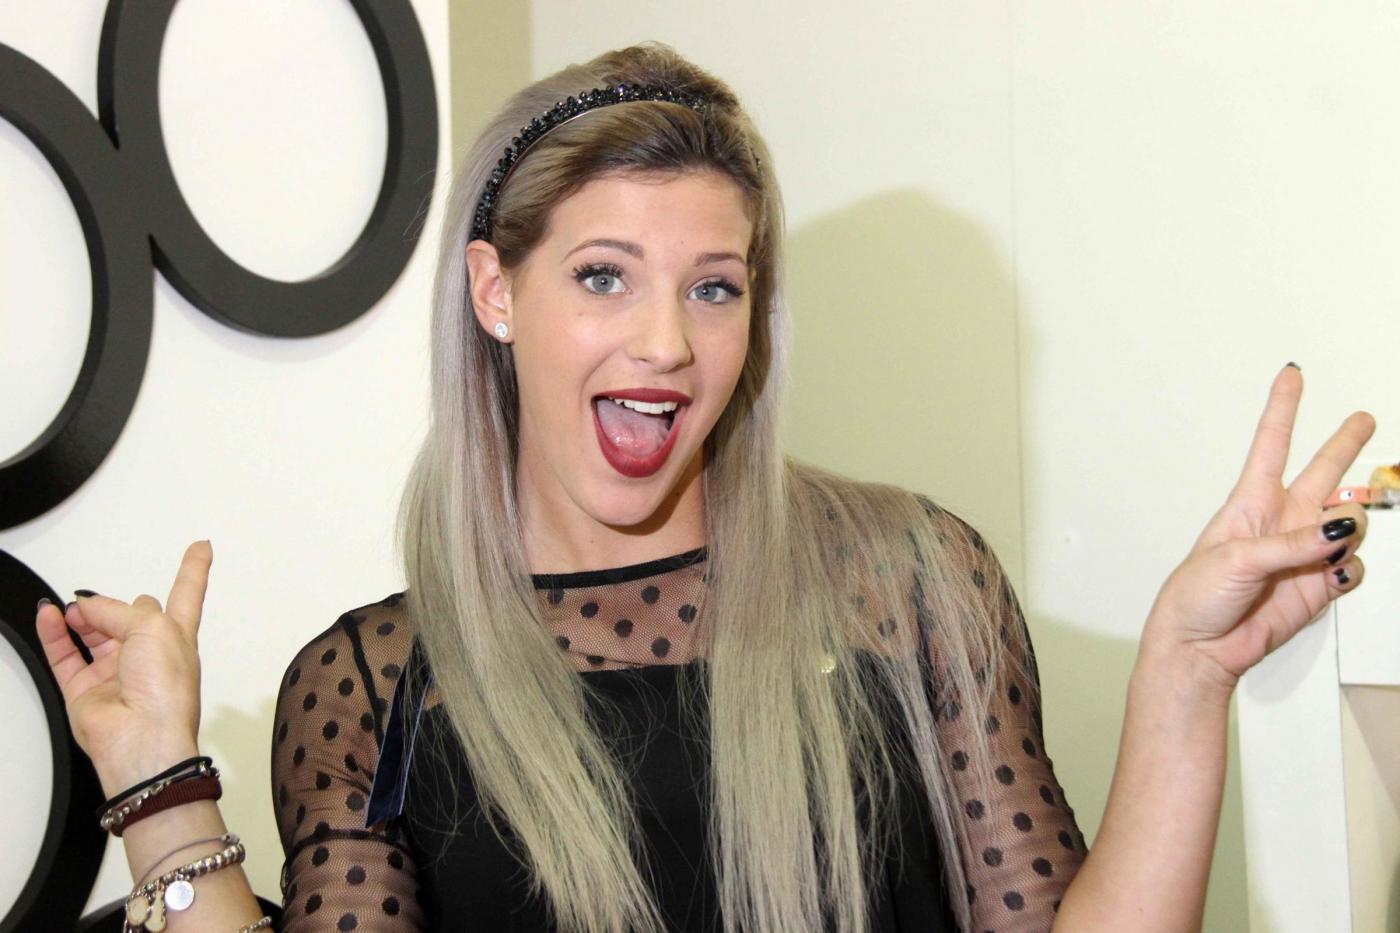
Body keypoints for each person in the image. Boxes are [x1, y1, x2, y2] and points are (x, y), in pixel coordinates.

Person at [35, 41, 1375, 933]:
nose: (667, 344)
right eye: (603, 276)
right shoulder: (378, 689)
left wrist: (1187, 670)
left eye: (714, 288)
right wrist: (160, 788)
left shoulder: (909, 583)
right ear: (496, 291)